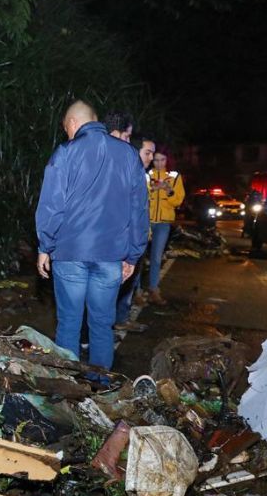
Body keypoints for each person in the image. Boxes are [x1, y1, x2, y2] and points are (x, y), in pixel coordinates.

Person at [35, 101, 148, 369]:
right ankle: (99, 381)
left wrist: (44, 245)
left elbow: (52, 205)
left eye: (66, 128)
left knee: (70, 323)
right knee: (101, 323)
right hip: (111, 255)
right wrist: (133, 254)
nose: (67, 134)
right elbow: (138, 209)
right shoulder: (129, 155)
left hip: (70, 253)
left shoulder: (65, 152)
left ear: (73, 123)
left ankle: (69, 384)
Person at [114, 134, 156, 331]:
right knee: (121, 284)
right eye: (147, 153)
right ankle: (113, 322)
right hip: (126, 242)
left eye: (153, 154)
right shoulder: (127, 173)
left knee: (130, 283)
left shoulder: (144, 175)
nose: (151, 158)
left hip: (137, 240)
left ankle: (120, 319)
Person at [146, 146, 185, 305]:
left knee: (156, 257)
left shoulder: (174, 177)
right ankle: (136, 292)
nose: (159, 163)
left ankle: (153, 290)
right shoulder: (147, 175)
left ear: (168, 160)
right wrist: (153, 189)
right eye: (156, 160)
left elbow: (178, 200)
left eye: (162, 159)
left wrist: (168, 190)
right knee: (138, 257)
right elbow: (140, 195)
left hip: (163, 223)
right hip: (146, 221)